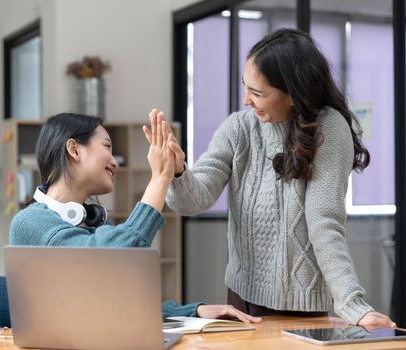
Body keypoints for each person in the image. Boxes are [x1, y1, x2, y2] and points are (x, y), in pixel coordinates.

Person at [147, 28, 396, 328]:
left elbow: (324, 223)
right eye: (246, 87)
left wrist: (352, 304)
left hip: (301, 305)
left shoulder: (329, 128)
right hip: (241, 299)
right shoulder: (238, 128)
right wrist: (176, 170)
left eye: (257, 92)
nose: (246, 100)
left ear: (293, 92)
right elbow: (192, 200)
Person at [9, 112, 261, 323]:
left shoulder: (89, 222)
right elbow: (114, 259)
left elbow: (116, 303)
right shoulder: (30, 223)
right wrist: (160, 178)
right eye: (107, 147)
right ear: (74, 149)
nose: (114, 161)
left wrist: (193, 311)